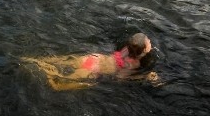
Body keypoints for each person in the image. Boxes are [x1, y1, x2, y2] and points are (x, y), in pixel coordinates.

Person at [23, 33, 158, 91]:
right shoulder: (134, 64)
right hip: (94, 69)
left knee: (59, 60)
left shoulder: (126, 49)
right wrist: (143, 76)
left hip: (93, 58)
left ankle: (34, 61)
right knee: (58, 85)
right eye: (149, 42)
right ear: (145, 49)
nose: (151, 42)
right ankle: (46, 71)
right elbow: (120, 78)